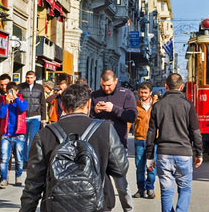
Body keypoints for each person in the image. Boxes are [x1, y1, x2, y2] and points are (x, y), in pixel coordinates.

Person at [20, 83, 129, 212]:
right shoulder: (105, 129)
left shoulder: (44, 134)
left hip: (56, 204)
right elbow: (120, 169)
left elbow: (33, 182)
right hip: (97, 203)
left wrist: (26, 209)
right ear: (88, 104)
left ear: (62, 105)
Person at [145, 73, 203, 212]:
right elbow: (195, 132)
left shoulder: (157, 106)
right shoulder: (188, 105)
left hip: (163, 154)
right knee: (185, 188)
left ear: (166, 86)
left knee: (166, 191)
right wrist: (199, 152)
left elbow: (151, 132)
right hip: (184, 153)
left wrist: (149, 156)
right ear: (181, 87)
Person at [91, 70, 137, 212]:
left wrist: (114, 109)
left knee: (121, 184)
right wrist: (94, 111)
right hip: (98, 145)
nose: (106, 88)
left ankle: (128, 209)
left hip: (118, 146)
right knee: (100, 183)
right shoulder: (94, 95)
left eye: (109, 85)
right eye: (103, 85)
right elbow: (87, 117)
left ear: (115, 81)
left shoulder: (126, 94)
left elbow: (132, 116)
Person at [0, 81, 28, 188]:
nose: (11, 94)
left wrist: (16, 98)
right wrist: (6, 103)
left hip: (19, 134)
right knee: (4, 158)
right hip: (6, 134)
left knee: (19, 159)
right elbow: (0, 115)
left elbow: (23, 109)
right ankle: (4, 179)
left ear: (17, 91)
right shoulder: (4, 102)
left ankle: (18, 177)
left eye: (13, 91)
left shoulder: (22, 101)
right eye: (9, 92)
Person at [132, 82, 156, 199]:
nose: (143, 95)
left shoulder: (156, 106)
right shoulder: (135, 105)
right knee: (139, 166)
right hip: (139, 140)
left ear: (150, 93)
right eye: (141, 92)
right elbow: (129, 121)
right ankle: (140, 189)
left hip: (152, 142)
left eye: (145, 92)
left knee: (151, 166)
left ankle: (150, 188)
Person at [18, 71, 46, 164]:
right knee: (23, 140)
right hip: (23, 117)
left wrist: (43, 117)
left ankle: (31, 159)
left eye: (31, 77)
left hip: (36, 117)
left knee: (33, 140)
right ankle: (25, 160)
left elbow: (43, 103)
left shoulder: (40, 87)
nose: (29, 79)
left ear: (34, 78)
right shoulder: (20, 87)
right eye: (27, 77)